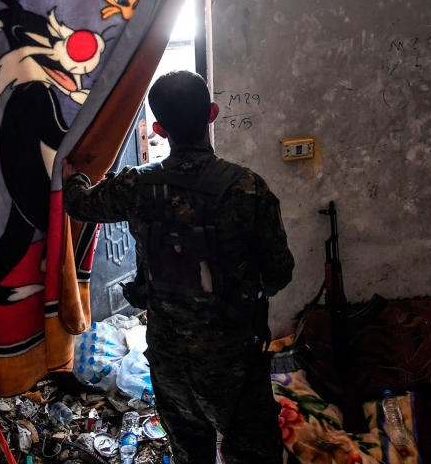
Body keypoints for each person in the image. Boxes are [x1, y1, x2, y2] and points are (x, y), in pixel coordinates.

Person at [63, 70, 294, 464]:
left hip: (170, 359)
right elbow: (279, 274)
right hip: (234, 360)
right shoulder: (248, 188)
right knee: (254, 452)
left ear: (157, 129)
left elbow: (79, 203)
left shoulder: (136, 185)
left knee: (189, 452)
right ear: (212, 114)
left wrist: (77, 174)